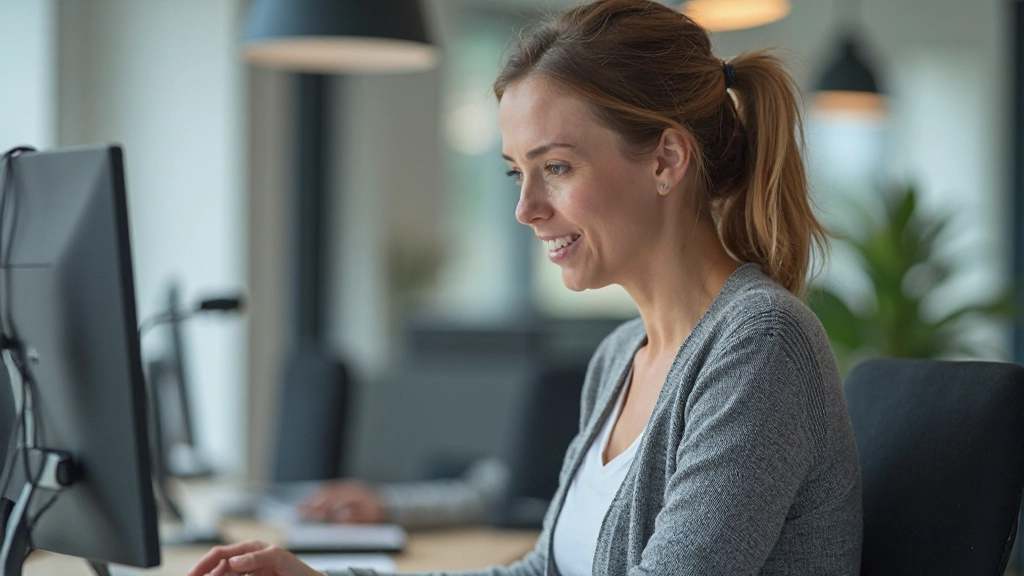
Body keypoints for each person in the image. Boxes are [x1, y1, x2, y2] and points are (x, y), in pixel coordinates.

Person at [187, 0, 862, 574]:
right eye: (517, 173)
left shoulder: (759, 344)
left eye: (558, 167)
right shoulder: (620, 357)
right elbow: (545, 569)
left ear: (665, 159)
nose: (526, 208)